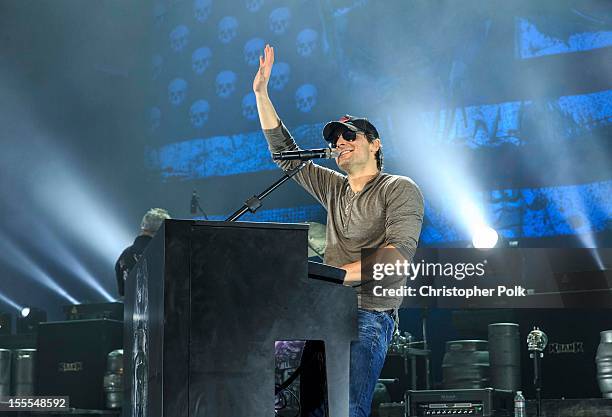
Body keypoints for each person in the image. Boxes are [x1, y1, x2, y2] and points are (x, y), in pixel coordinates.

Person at [253, 45, 424, 417]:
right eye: (335, 140)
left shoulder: (398, 188)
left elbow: (397, 257)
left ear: (375, 145)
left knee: (344, 408)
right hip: (318, 308)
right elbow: (285, 155)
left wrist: (332, 276)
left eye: (350, 136)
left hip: (369, 312)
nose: (339, 144)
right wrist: (261, 94)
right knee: (296, 407)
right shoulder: (333, 186)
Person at [115, 208, 171, 297]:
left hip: (130, 309)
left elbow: (122, 292)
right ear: (162, 230)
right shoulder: (166, 254)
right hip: (161, 308)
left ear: (142, 226)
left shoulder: (123, 256)